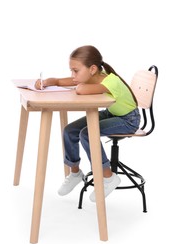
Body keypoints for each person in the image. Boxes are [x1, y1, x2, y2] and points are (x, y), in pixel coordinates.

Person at [35, 45, 140, 201]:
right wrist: (48, 81)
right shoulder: (93, 75)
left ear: (92, 69)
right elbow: (66, 81)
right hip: (112, 113)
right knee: (70, 130)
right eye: (71, 70)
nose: (72, 75)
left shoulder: (111, 81)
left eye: (76, 71)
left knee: (87, 133)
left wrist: (77, 85)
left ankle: (109, 177)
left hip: (128, 120)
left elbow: (81, 90)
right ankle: (75, 173)